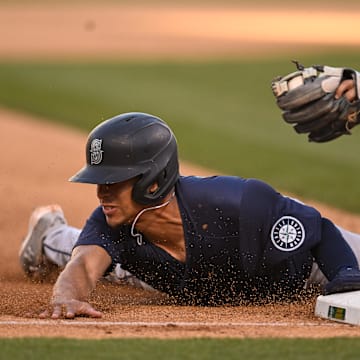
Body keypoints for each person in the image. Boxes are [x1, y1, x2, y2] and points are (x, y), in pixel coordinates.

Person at [19, 111, 360, 319]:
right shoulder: (111, 224)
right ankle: (48, 232)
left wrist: (346, 275)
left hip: (304, 267)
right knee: (90, 252)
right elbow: (83, 265)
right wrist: (66, 298)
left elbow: (322, 231)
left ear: (151, 180)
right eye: (99, 181)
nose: (100, 192)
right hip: (181, 278)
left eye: (112, 181)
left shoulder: (236, 202)